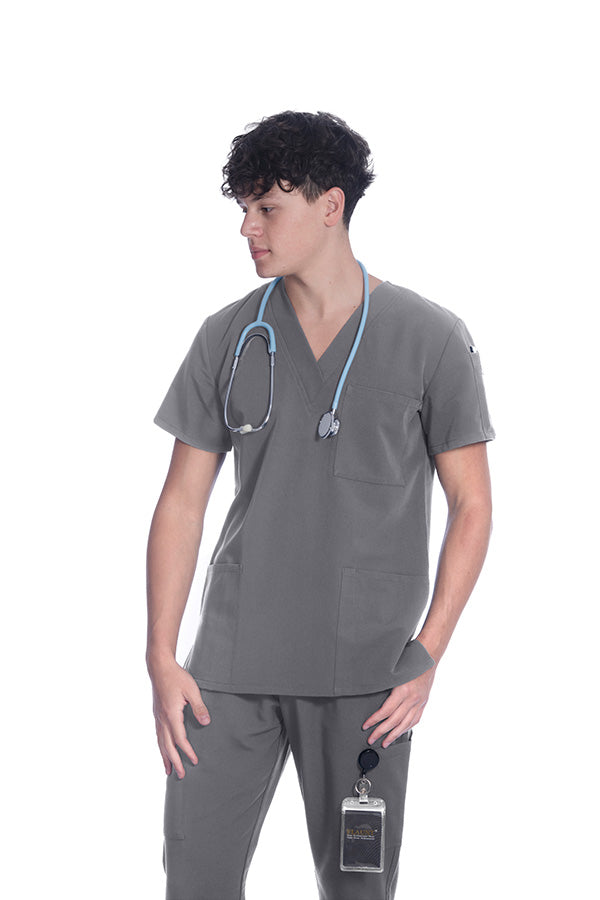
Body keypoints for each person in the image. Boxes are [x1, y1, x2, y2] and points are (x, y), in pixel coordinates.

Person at [146, 110, 495, 900]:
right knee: (194, 879)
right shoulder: (228, 335)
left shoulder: (431, 338)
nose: (247, 228)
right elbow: (181, 502)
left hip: (366, 675)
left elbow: (472, 506)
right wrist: (162, 655)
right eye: (244, 208)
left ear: (330, 206)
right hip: (228, 669)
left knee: (357, 886)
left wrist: (427, 652)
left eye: (266, 208)